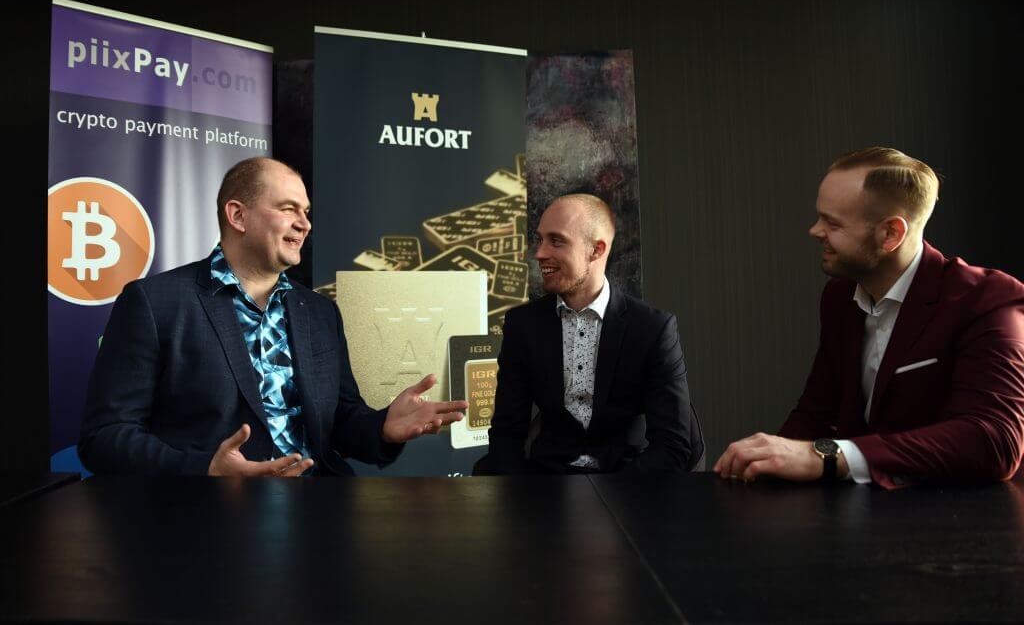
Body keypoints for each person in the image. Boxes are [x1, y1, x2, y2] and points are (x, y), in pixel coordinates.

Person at [79, 157, 467, 476]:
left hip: (318, 512)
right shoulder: (154, 302)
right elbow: (104, 437)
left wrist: (384, 428)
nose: (305, 223)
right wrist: (206, 470)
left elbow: (342, 422)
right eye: (288, 209)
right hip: (208, 520)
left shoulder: (318, 312)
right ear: (238, 215)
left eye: (306, 212)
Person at [715, 147, 1024, 488]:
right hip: (864, 519)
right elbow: (816, 411)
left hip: (965, 526)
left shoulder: (988, 301)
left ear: (891, 233)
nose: (814, 231)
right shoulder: (839, 297)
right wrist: (764, 466)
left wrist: (830, 456)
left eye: (832, 223)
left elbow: (995, 440)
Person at [479, 194, 703, 474]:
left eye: (556, 241)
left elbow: (673, 445)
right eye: (540, 239)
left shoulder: (653, 329)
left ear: (596, 250)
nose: (540, 253)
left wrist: (616, 503)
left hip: (628, 487)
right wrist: (519, 501)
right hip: (546, 486)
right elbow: (507, 433)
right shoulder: (522, 324)